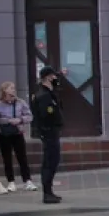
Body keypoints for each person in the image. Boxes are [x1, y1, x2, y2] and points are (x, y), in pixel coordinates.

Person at [0, 81, 35, 193]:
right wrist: (7, 121)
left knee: (22, 157)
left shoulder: (20, 103)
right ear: (4, 90)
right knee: (7, 158)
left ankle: (27, 181)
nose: (13, 90)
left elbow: (30, 116)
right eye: (11, 88)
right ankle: (11, 182)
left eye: (14, 88)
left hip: (17, 133)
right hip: (4, 134)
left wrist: (20, 120)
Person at [31, 66, 64, 204]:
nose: (56, 79)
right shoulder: (44, 95)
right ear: (48, 77)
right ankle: (47, 193)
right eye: (54, 76)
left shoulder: (49, 93)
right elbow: (46, 115)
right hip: (49, 132)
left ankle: (50, 192)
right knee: (49, 162)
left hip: (52, 132)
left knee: (53, 161)